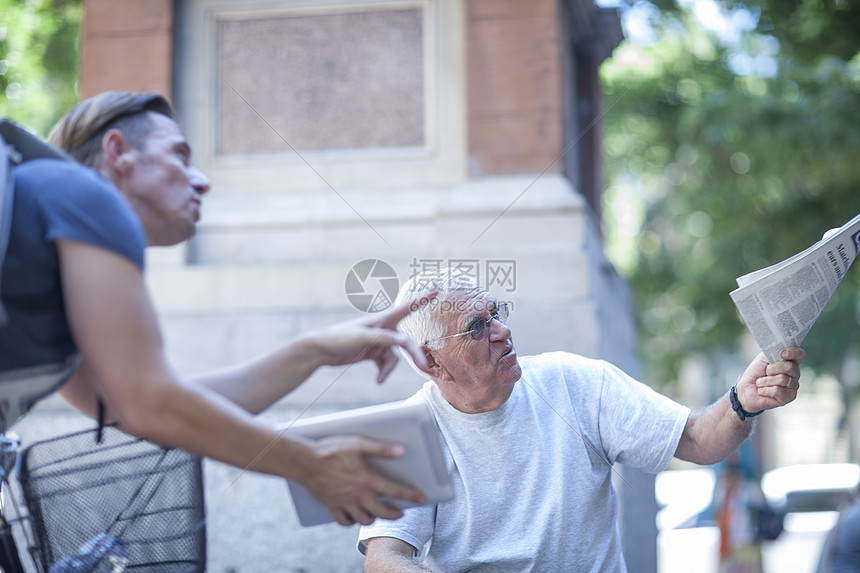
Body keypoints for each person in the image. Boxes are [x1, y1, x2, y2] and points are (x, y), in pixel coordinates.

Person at [0, 91, 434, 527]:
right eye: (180, 155)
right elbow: (151, 405)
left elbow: (144, 410)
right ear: (119, 152)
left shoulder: (51, 228)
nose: (202, 180)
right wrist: (310, 464)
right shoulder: (84, 195)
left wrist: (314, 350)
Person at [358, 270, 806, 572]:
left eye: (497, 313)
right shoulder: (409, 429)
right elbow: (386, 556)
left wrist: (743, 401)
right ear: (430, 362)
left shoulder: (575, 381)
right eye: (477, 327)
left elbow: (697, 439)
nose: (502, 331)